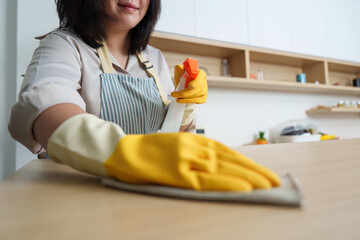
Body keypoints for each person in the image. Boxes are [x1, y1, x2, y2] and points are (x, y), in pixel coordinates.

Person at [8, 0, 281, 191]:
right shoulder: (64, 45)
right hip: (83, 193)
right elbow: (46, 108)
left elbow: (173, 136)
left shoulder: (154, 59)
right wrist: (122, 153)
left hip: (148, 190)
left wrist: (184, 107)